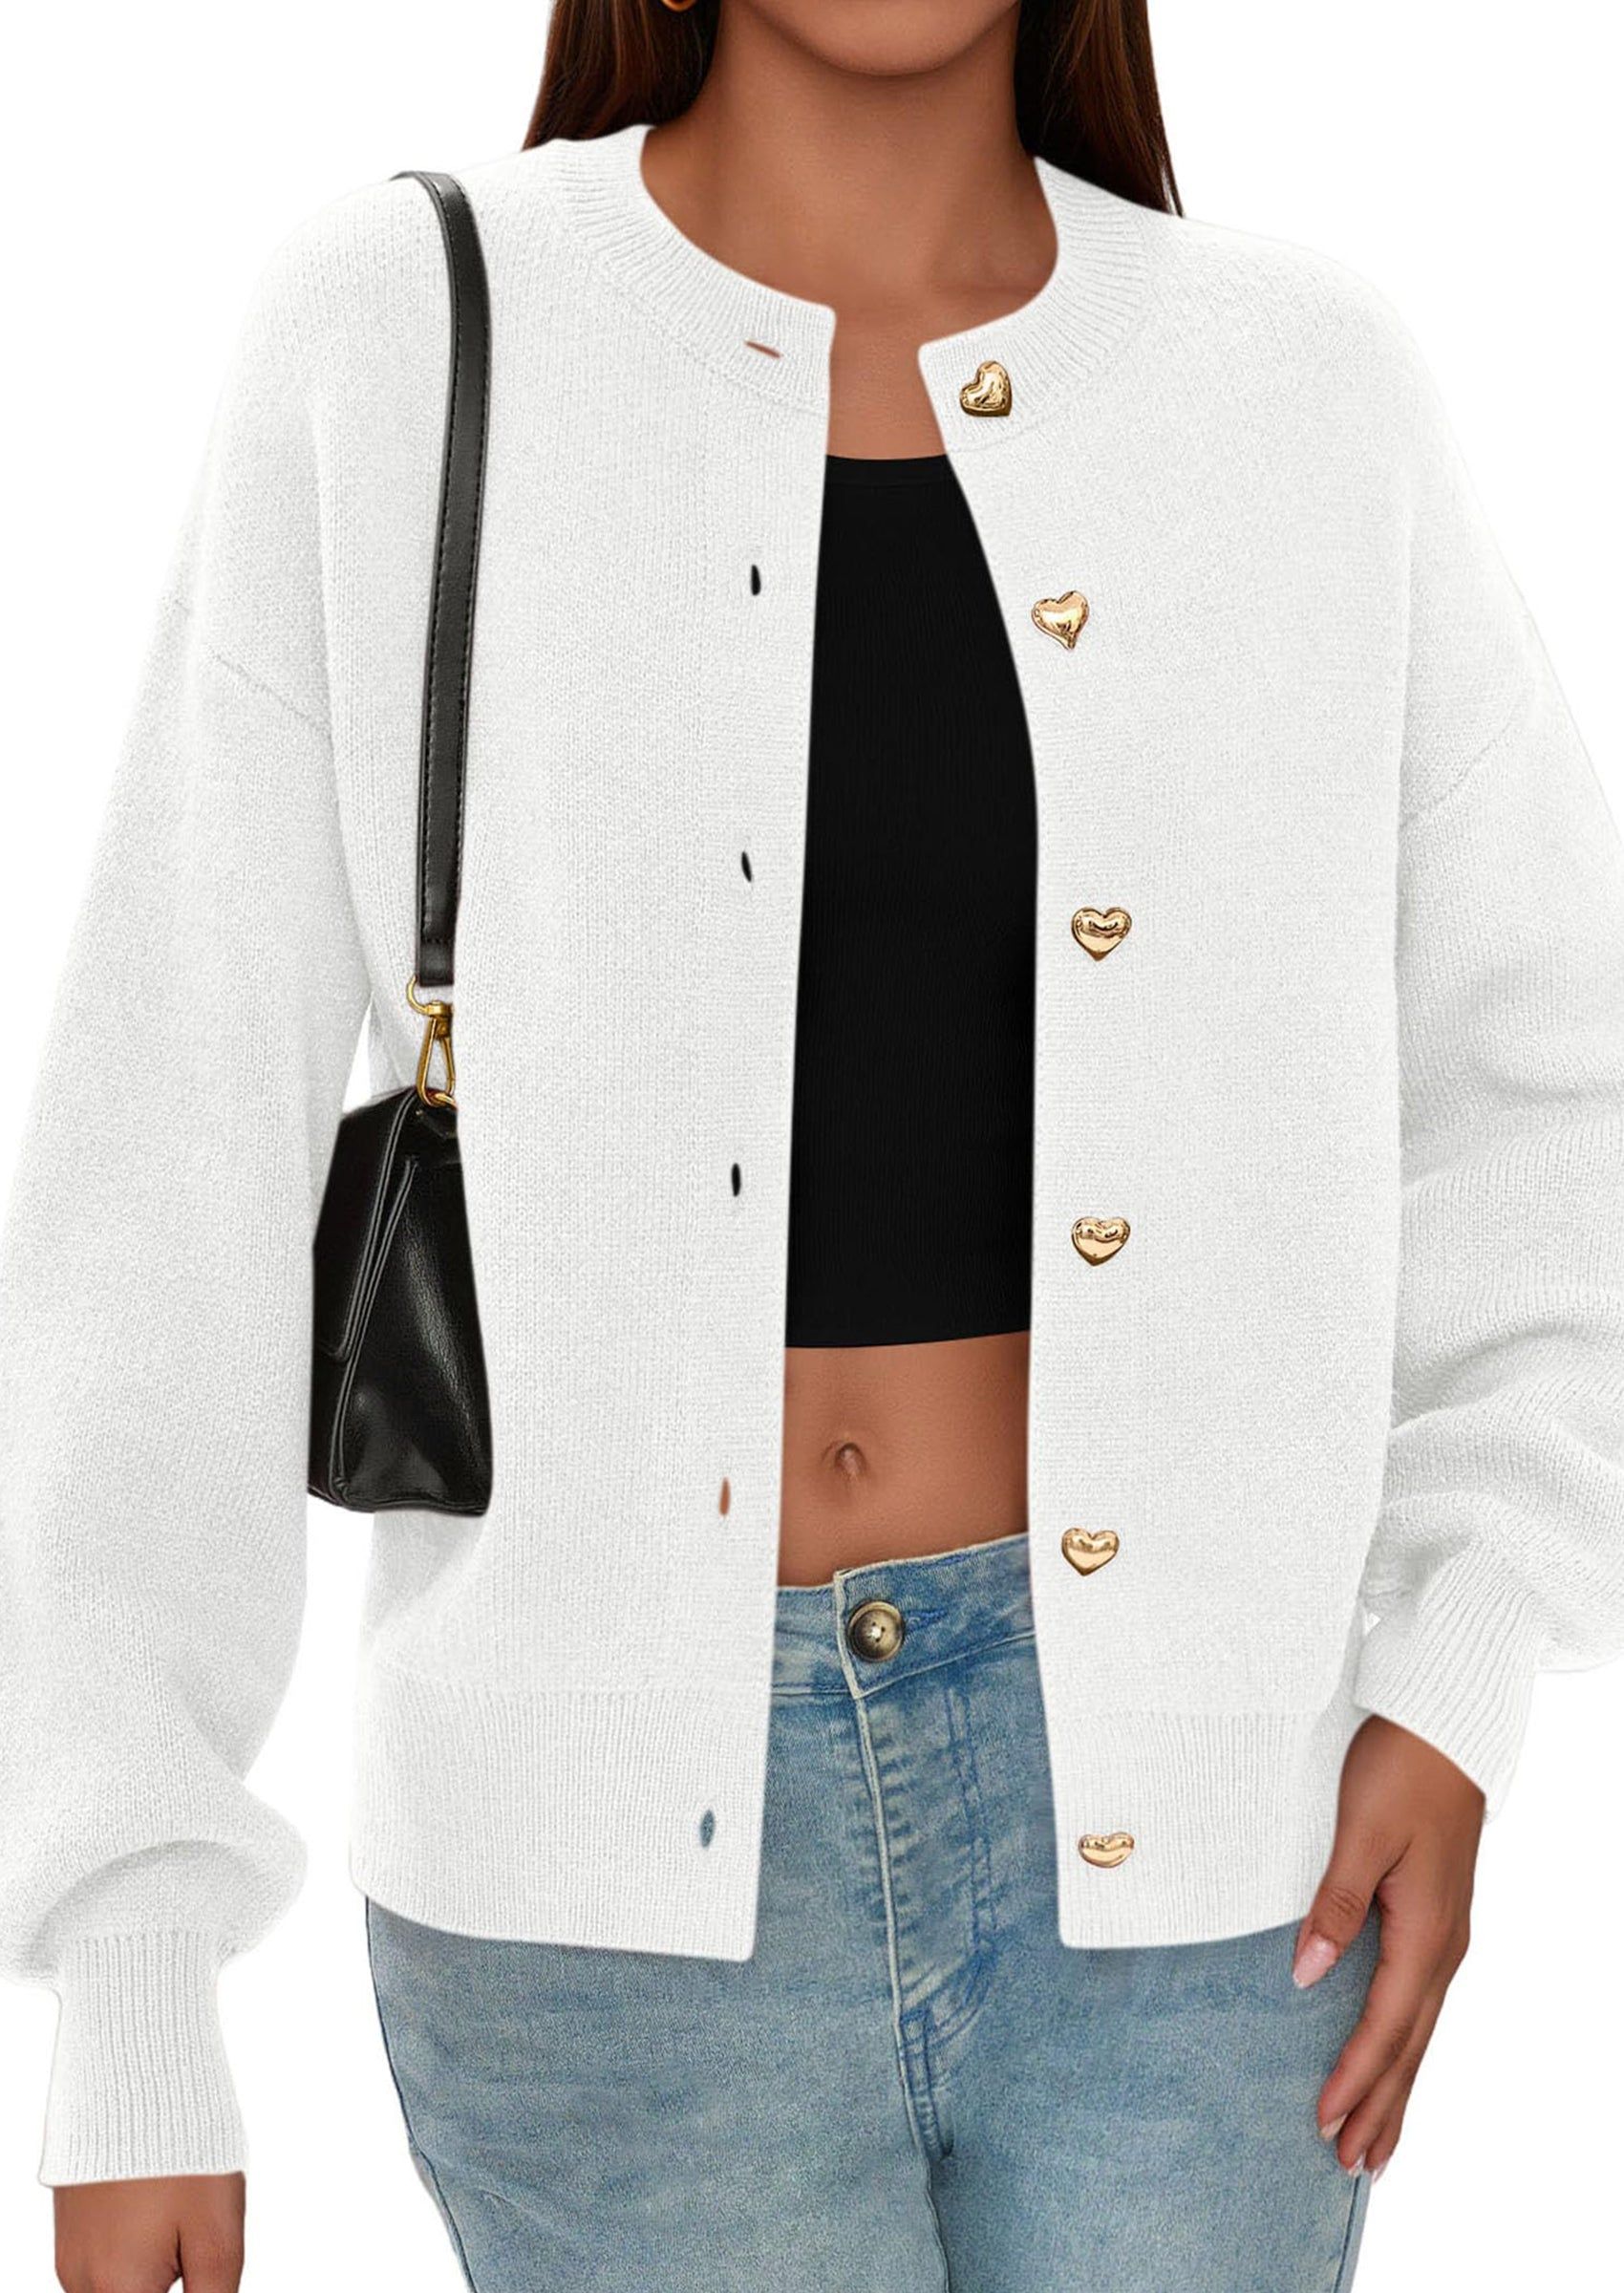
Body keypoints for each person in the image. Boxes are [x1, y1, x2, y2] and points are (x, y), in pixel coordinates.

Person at [7, 3, 1622, 2289]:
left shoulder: (1304, 391)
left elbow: (1553, 1105)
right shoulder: (392, 333)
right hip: (593, 1920)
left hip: (1205, 1878)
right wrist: (131, 1970)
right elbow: (162, 1162)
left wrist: (1457, 1676)